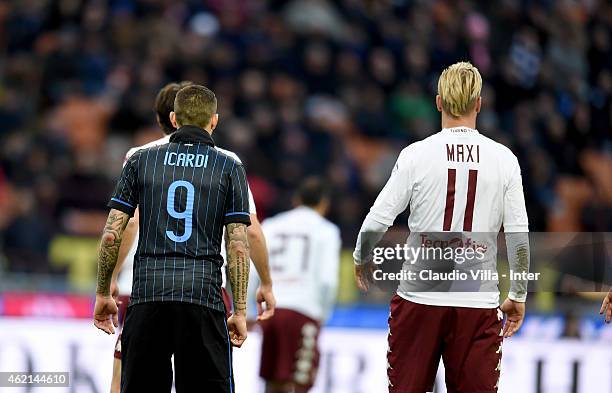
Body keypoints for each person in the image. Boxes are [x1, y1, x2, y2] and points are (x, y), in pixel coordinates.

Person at [353, 62, 530, 393]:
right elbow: (519, 235)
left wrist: (362, 256)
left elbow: (378, 218)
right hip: (477, 301)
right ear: (479, 103)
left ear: (438, 102)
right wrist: (518, 293)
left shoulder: (416, 155)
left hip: (419, 298)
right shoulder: (504, 159)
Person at [107, 81, 275, 393]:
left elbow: (120, 227)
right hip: (203, 293)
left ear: (172, 119)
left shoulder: (139, 157)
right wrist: (247, 301)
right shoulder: (227, 163)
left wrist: (106, 286)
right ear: (214, 120)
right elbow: (243, 236)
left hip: (145, 291)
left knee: (127, 382)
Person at [254, 178, 340, 393]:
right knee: (299, 382)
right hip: (304, 309)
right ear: (324, 204)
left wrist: (246, 308)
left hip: (272, 309)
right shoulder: (326, 230)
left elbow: (254, 268)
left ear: (296, 200)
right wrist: (322, 313)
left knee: (272, 379)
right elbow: (328, 280)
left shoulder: (272, 225)